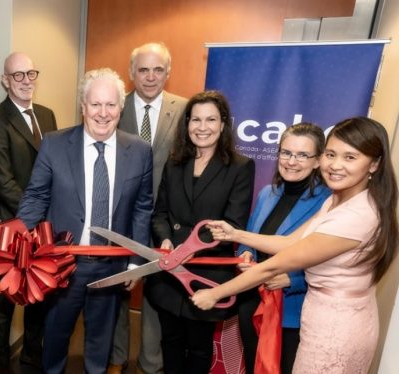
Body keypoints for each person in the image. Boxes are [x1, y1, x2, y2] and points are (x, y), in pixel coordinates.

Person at [195, 117, 398, 374]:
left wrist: (215, 293)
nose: (335, 165)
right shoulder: (338, 201)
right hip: (320, 319)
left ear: (375, 164)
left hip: (335, 329)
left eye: (350, 157)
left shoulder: (356, 215)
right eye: (332, 154)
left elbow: (277, 264)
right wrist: (236, 235)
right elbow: (289, 242)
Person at [18, 68, 153, 374]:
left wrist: (136, 262)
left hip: (112, 266)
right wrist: (16, 236)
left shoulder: (140, 151)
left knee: (99, 346)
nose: (102, 113)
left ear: (121, 108)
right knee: (55, 339)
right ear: (83, 106)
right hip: (63, 264)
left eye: (110, 105)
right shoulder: (54, 144)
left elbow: (142, 208)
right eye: (95, 104)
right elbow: (36, 196)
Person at [145, 90, 255, 373]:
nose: (202, 127)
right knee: (170, 340)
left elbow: (233, 223)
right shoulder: (174, 162)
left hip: (206, 275)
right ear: (187, 124)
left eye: (211, 119)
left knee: (198, 348)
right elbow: (160, 214)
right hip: (169, 274)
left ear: (223, 125)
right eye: (196, 120)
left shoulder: (241, 167)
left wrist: (187, 249)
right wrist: (166, 239)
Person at [112, 42, 187, 374]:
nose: (151, 76)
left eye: (158, 69)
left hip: (166, 221)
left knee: (158, 295)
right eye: (143, 69)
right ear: (131, 73)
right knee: (116, 293)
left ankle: (150, 364)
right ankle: (115, 360)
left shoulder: (186, 110)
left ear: (168, 72)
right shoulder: (112, 106)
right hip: (120, 217)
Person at [0, 51, 58, 373]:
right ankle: (1, 364)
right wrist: (34, 215)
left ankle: (31, 358)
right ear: (5, 80)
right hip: (14, 225)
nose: (26, 81)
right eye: (18, 75)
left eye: (31, 74)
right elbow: (3, 180)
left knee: (40, 296)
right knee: (5, 302)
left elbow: (55, 169)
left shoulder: (48, 114)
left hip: (45, 227)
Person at [235, 123, 330, 374]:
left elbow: (329, 260)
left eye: (302, 155)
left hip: (291, 311)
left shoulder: (328, 202)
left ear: (318, 161)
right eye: (286, 153)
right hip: (253, 301)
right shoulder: (268, 192)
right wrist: (244, 253)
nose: (292, 161)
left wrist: (292, 279)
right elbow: (250, 237)